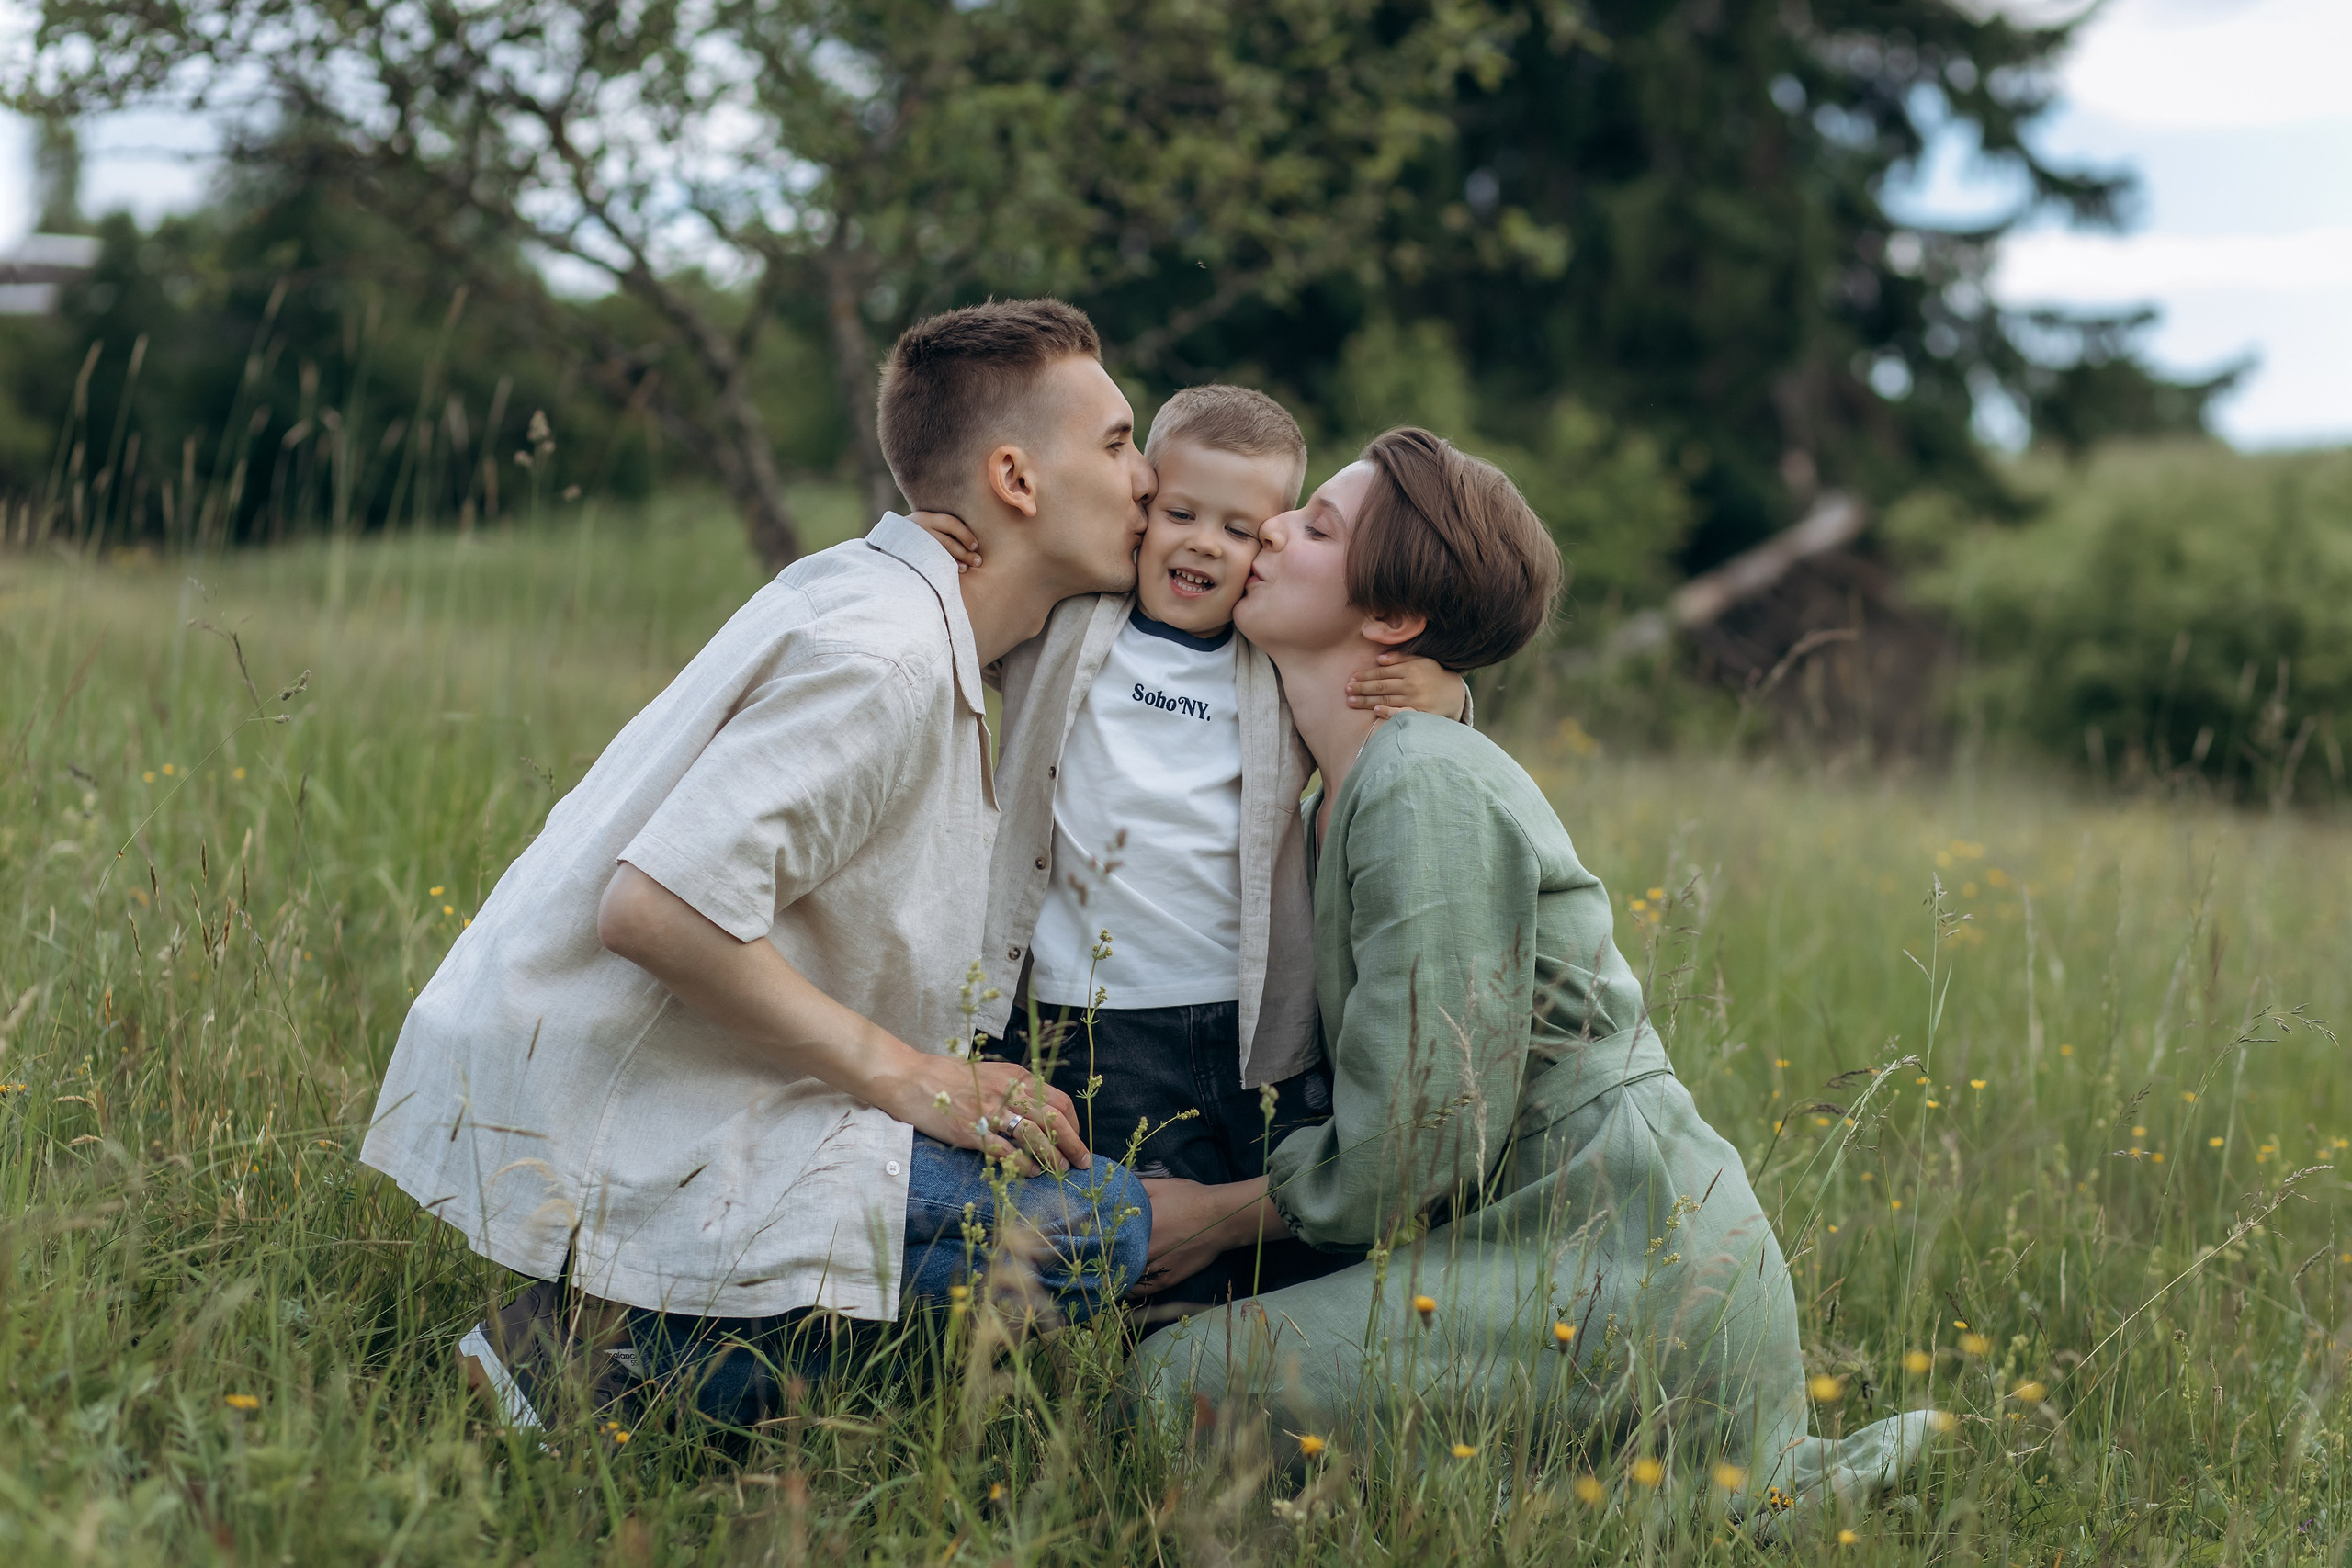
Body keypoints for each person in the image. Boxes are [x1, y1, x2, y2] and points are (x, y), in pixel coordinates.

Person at [360, 299, 1156, 1432]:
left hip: (705, 1081)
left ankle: (610, 1323)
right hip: (647, 1098)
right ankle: (576, 1363)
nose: (1147, 478)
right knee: (1091, 1227)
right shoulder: (886, 658)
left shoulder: (902, 607)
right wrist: (900, 1073)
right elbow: (653, 910)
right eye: (1119, 443)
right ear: (1017, 481)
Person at [1131, 428, 1930, 1521]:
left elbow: (1420, 1136)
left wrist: (1213, 1220)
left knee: (1182, 1386)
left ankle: (1661, 1500)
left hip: (1629, 1266)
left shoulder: (1419, 783)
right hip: (1551, 1243)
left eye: (1315, 525)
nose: (1269, 527)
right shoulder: (1371, 779)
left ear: (1394, 620)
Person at [917, 386, 1467, 1312]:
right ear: (1141, 509)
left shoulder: (1273, 656)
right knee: (1107, 1237)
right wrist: (933, 552)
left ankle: (1264, 1373)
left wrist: (1444, 692)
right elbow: (954, 625)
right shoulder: (1068, 621)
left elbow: (1373, 713)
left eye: (1241, 529)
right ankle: (1104, 1388)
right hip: (1078, 1009)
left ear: (1272, 548)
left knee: (1268, 1249)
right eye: (1180, 513)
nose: (1205, 544)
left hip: (1242, 1022)